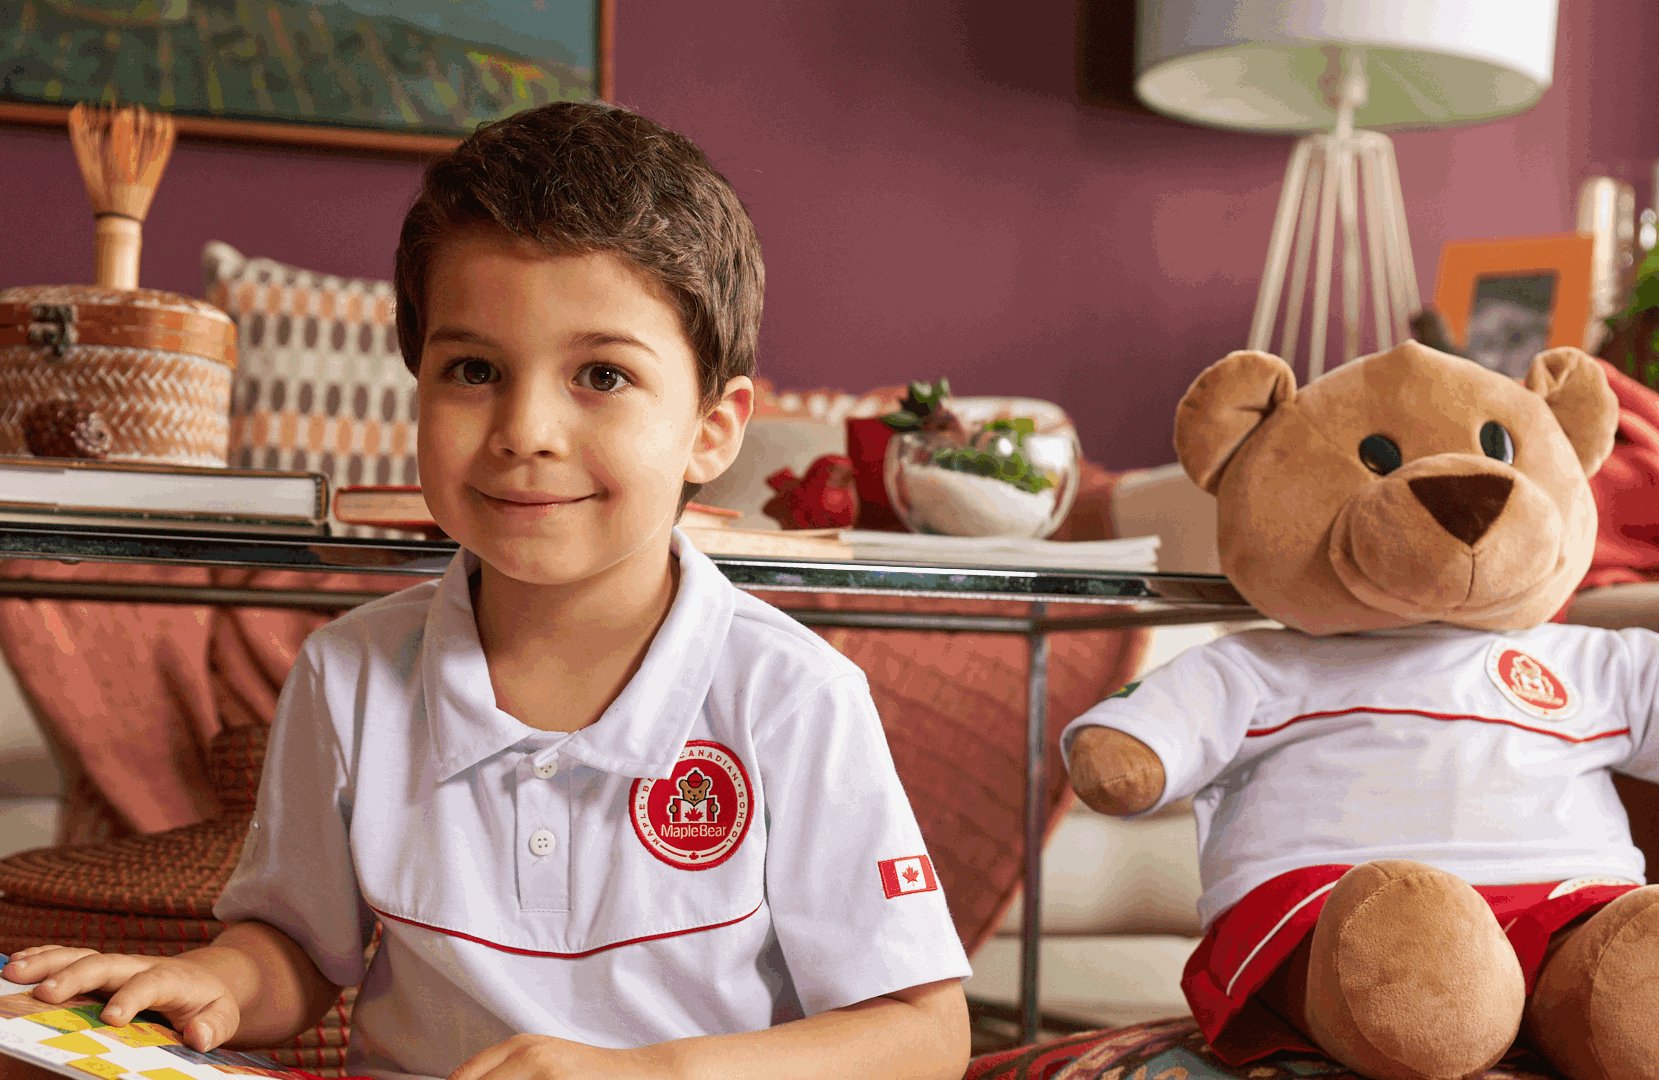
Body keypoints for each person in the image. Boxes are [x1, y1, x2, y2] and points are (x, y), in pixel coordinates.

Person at [3, 101, 972, 1080]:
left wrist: (646, 1076)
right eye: (474, 369)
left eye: (602, 375)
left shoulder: (795, 697)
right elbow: (295, 946)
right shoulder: (348, 673)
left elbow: (924, 1035)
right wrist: (213, 981)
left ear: (711, 431)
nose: (525, 432)